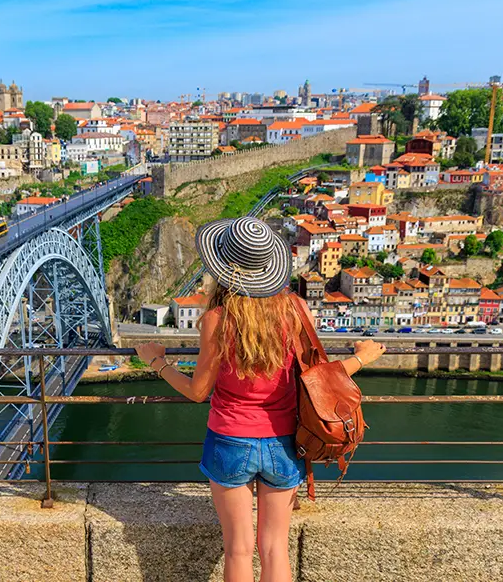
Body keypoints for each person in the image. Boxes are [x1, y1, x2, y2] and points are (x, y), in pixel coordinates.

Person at [136, 216, 385, 582]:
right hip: (285, 442)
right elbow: (316, 379)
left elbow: (197, 392)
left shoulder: (217, 319)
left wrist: (156, 361)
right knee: (273, 548)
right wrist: (361, 358)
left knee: (238, 548)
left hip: (230, 440)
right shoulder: (295, 309)